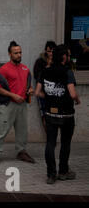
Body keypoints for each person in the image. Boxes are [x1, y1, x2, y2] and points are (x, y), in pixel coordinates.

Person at [35, 44, 81, 184]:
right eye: (67, 55)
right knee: (65, 143)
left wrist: (49, 97)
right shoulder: (67, 72)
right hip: (66, 115)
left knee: (50, 143)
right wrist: (77, 100)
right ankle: (63, 171)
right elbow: (72, 93)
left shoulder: (44, 71)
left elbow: (37, 92)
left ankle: (51, 174)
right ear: (64, 56)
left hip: (50, 114)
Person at [0, 41, 35, 165]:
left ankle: (21, 151)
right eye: (16, 53)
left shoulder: (25, 69)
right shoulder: (4, 69)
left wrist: (30, 90)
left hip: (22, 105)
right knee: (1, 129)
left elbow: (28, 86)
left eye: (20, 52)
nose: (19, 55)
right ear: (10, 54)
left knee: (22, 130)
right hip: (8, 104)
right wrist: (13, 95)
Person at [33, 41, 57, 131]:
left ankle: (53, 136)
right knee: (45, 115)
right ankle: (49, 138)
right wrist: (48, 65)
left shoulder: (57, 61)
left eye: (52, 51)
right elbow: (37, 76)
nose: (51, 53)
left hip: (55, 93)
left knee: (55, 115)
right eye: (49, 51)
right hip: (43, 93)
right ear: (45, 51)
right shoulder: (40, 62)